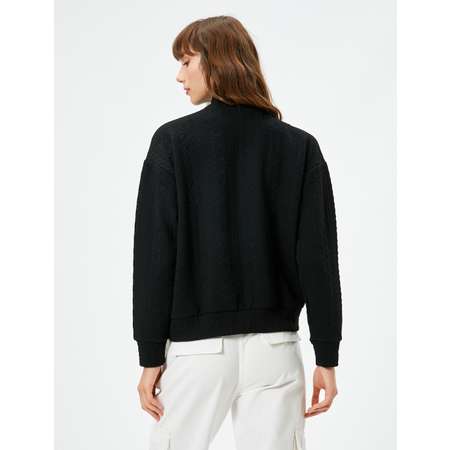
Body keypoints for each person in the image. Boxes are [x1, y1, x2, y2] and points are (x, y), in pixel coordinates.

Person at [132, 15, 342, 450]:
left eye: (187, 61)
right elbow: (317, 258)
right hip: (275, 351)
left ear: (216, 62)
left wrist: (150, 354)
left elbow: (155, 255)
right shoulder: (299, 147)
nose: (179, 75)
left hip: (197, 354)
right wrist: (326, 354)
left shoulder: (173, 142)